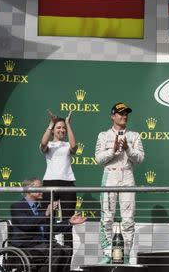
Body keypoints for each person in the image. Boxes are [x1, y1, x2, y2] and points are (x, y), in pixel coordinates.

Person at [95, 102, 144, 264]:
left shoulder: (134, 135)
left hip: (128, 176)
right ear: (112, 116)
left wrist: (128, 149)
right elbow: (99, 159)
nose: (124, 116)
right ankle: (109, 253)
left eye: (126, 114)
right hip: (110, 176)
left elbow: (140, 158)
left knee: (128, 220)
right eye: (120, 113)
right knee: (107, 219)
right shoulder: (103, 135)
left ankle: (127, 256)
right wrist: (113, 150)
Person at [10, 177, 86, 272]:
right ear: (29, 190)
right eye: (39, 187)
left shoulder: (40, 208)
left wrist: (69, 222)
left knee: (66, 250)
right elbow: (26, 225)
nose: (42, 190)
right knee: (56, 251)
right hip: (27, 246)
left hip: (43, 245)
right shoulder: (17, 206)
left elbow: (51, 228)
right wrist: (46, 214)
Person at [39, 110, 77, 249]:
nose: (62, 130)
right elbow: (43, 143)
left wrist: (68, 124)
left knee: (68, 222)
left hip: (68, 184)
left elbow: (74, 147)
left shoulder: (67, 145)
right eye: (59, 127)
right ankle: (48, 256)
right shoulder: (48, 145)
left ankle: (67, 260)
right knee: (48, 221)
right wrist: (50, 124)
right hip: (50, 184)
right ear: (53, 130)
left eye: (63, 128)